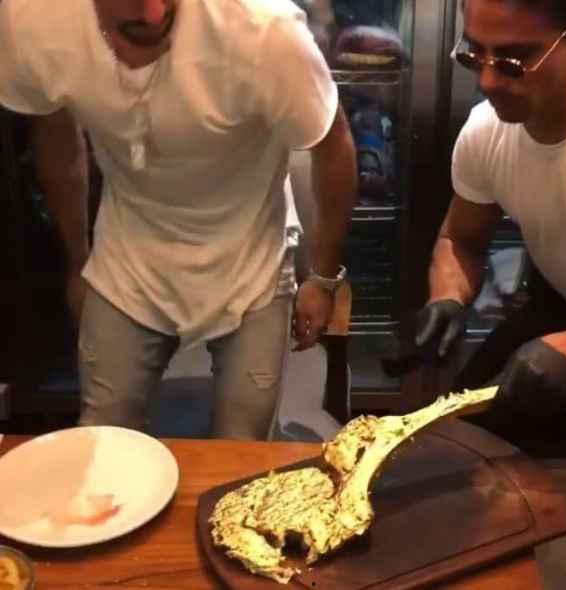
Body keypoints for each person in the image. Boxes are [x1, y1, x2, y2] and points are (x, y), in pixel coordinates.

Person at [0, 0, 357, 439]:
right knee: (104, 437)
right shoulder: (32, 19)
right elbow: (54, 129)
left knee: (242, 449)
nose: (153, 13)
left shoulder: (265, 30)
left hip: (249, 256)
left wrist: (322, 279)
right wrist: (77, 258)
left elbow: (333, 143)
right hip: (129, 249)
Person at [409, 0, 566, 420]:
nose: (487, 81)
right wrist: (448, 297)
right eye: (474, 53)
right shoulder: (485, 131)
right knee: (453, 431)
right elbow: (461, 239)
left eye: (515, 58)